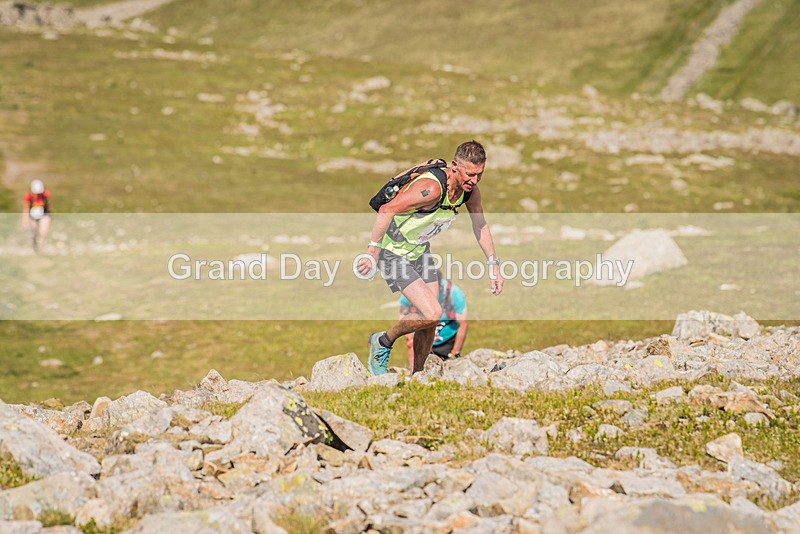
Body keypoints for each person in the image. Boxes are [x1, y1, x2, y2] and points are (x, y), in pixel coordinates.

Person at [356, 140, 503, 375]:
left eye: (479, 175)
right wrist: (372, 253)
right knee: (432, 312)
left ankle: (419, 375)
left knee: (432, 318)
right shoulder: (431, 188)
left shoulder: (469, 193)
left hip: (419, 250)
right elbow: (386, 209)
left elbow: (480, 225)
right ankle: (383, 341)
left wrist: (493, 265)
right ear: (455, 166)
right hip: (392, 252)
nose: (474, 181)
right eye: (470, 174)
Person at [399, 273, 468, 369]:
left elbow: (463, 324)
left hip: (446, 340)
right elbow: (403, 313)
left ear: (439, 286)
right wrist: (409, 338)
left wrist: (454, 353)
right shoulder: (412, 290)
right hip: (420, 338)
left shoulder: (454, 293)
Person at [22, 179, 51, 252]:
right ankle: (35, 247)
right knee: (35, 233)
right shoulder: (28, 196)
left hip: (44, 215)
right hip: (33, 217)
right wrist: (25, 220)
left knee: (43, 233)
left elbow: (48, 205)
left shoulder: (45, 195)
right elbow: (26, 208)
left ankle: (42, 249)